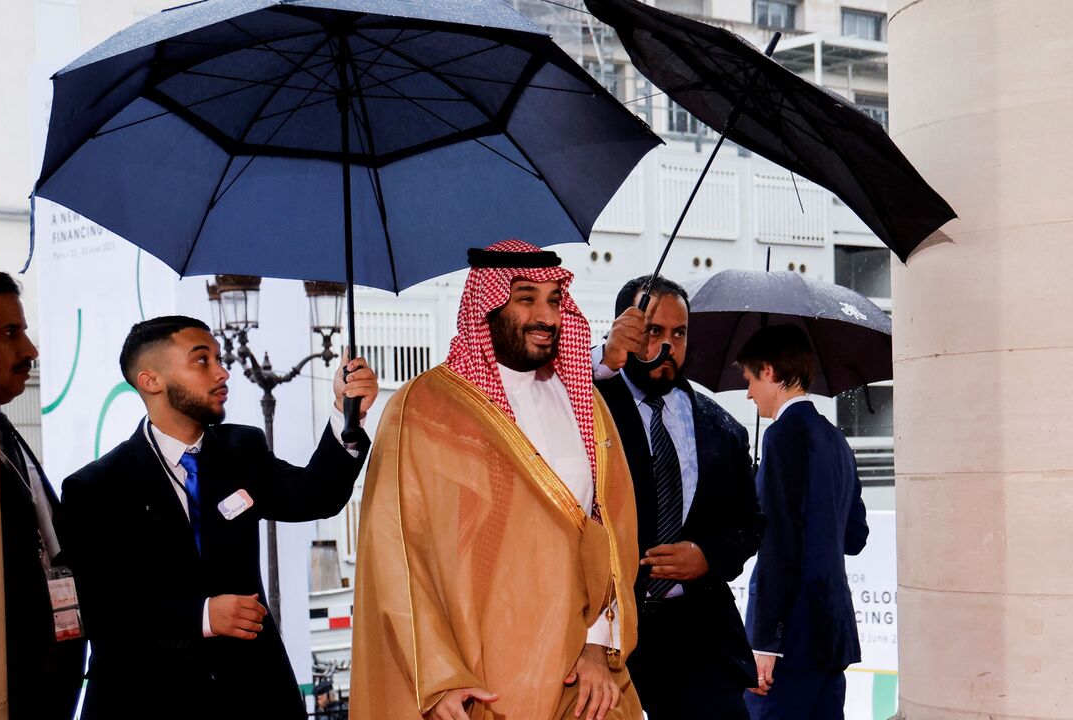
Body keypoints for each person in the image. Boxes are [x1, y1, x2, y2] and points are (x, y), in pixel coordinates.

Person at [350, 240, 643, 720]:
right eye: (526, 299)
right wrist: (440, 677)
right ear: (486, 305)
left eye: (554, 300)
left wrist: (598, 647)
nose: (546, 317)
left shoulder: (586, 404)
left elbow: (613, 533)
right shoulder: (423, 409)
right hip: (477, 678)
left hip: (575, 674)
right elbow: (398, 553)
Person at [60, 315, 378, 719]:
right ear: (151, 381)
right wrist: (203, 616)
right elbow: (103, 615)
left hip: (253, 698)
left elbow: (315, 496)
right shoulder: (95, 487)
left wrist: (347, 413)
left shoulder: (242, 448)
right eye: (201, 360)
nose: (222, 372)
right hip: (148, 702)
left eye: (219, 358)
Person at [594, 274, 765, 719]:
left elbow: (749, 524)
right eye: (653, 331)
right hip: (607, 637)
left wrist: (706, 555)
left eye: (680, 333)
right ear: (626, 328)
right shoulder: (587, 405)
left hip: (703, 640)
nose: (668, 345)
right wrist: (604, 357)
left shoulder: (724, 428)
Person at [736, 323, 868, 719]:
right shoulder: (836, 439)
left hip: (790, 642)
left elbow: (779, 547)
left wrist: (765, 643)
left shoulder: (781, 436)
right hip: (833, 635)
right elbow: (855, 536)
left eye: (750, 379)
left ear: (769, 371)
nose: (748, 393)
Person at [0, 270, 85, 719]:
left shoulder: (4, 430)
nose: (31, 350)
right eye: (10, 333)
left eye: (24, 331)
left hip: (54, 677)